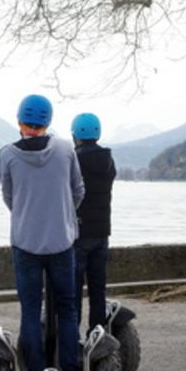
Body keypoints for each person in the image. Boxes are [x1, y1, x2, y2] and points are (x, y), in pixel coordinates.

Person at [0, 94, 85, 371]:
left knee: (30, 312)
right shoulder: (65, 148)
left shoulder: (6, 154)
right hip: (62, 242)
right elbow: (78, 191)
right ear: (48, 122)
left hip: (25, 243)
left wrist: (27, 214)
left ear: (19, 121)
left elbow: (9, 197)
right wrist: (61, 215)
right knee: (68, 310)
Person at [71, 113, 116, 334]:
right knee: (98, 289)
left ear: (75, 135)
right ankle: (97, 334)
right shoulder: (108, 160)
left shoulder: (73, 160)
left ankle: (73, 338)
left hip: (78, 233)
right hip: (102, 232)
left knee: (74, 291)